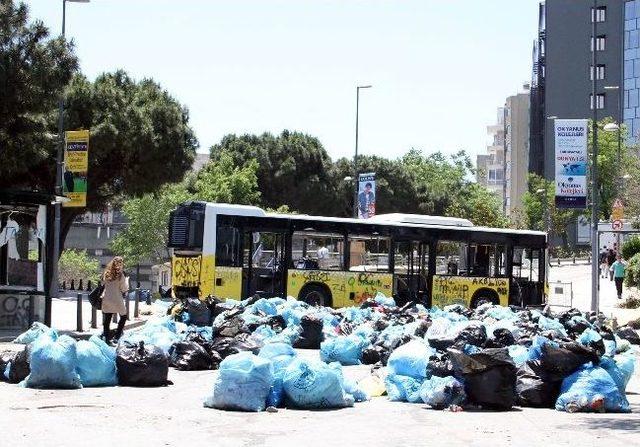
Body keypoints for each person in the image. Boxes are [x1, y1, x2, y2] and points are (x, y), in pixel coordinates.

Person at [101, 256, 129, 344]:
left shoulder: (107, 273)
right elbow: (124, 288)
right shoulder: (120, 275)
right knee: (123, 316)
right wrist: (127, 282)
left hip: (107, 299)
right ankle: (117, 336)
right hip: (117, 299)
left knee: (107, 319)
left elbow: (103, 283)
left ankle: (106, 337)